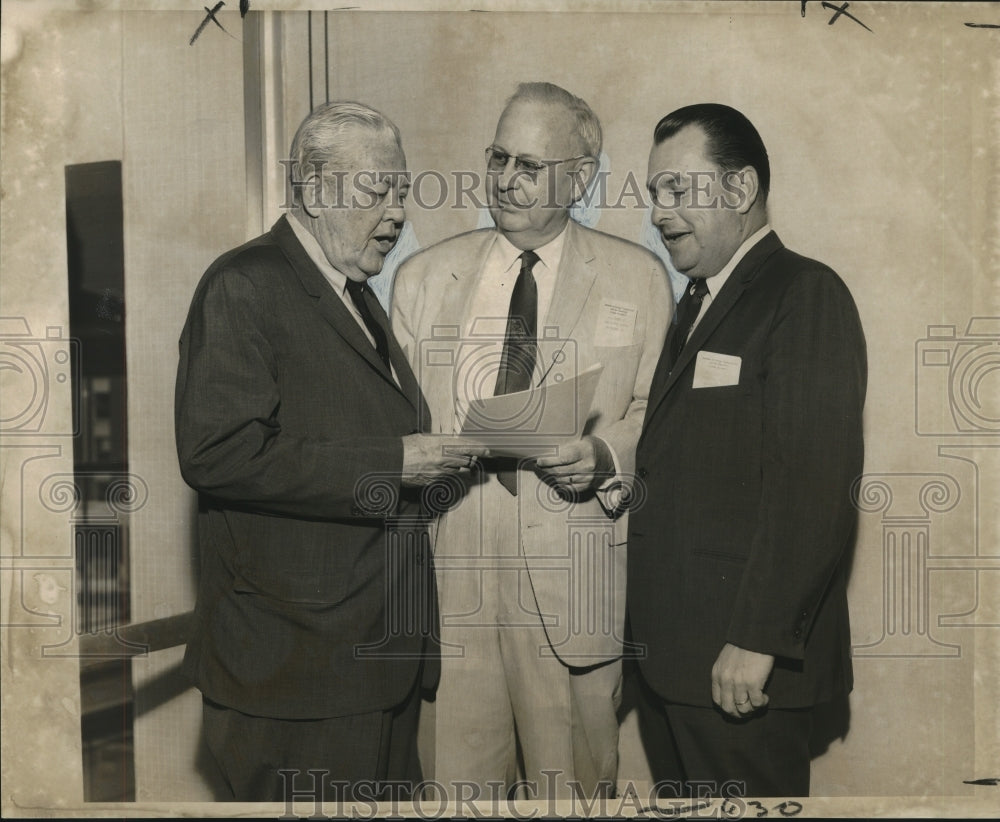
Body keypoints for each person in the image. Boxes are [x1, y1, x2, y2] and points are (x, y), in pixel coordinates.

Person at [174, 101, 484, 802]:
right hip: (296, 677)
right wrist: (395, 462)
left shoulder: (355, 294)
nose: (399, 213)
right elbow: (218, 452)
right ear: (313, 190)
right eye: (379, 191)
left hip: (373, 662)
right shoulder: (244, 284)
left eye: (402, 193)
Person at [392, 82, 671, 799]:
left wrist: (606, 457)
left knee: (573, 793)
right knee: (457, 796)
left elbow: (656, 416)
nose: (505, 180)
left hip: (572, 585)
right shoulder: (423, 280)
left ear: (579, 178)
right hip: (450, 586)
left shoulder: (638, 279)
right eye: (496, 158)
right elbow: (388, 422)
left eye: (529, 165)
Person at [627, 103, 867, 797]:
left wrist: (758, 639)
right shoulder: (699, 302)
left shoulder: (804, 294)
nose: (660, 212)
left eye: (678, 190)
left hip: (739, 665)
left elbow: (815, 486)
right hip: (679, 664)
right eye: (654, 194)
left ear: (739, 189)